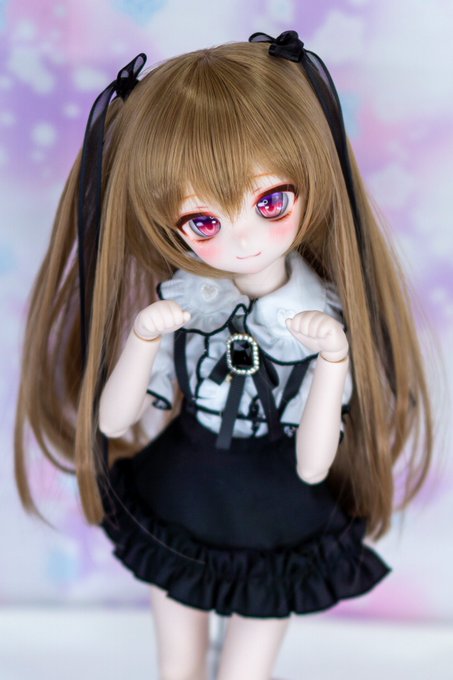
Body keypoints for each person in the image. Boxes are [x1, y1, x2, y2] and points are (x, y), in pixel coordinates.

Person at [15, 31, 433, 680]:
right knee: (177, 664)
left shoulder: (318, 321)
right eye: (203, 222)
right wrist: (143, 338)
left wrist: (332, 364)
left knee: (246, 672)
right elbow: (112, 421)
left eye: (270, 202)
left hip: (276, 514)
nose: (243, 239)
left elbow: (313, 464)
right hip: (178, 493)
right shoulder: (184, 302)